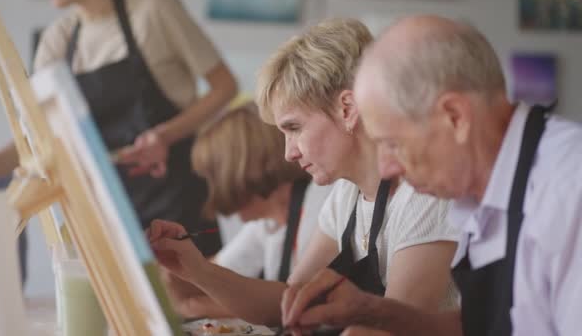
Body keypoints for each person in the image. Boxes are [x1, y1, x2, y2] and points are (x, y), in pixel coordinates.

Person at [148, 18, 460, 328]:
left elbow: (390, 329)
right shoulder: (346, 194)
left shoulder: (424, 194)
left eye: (294, 128)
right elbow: (290, 298)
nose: (289, 152)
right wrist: (197, 270)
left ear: (347, 109)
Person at [284, 15, 582, 336]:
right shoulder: (479, 191)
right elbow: (482, 327)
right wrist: (372, 311)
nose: (386, 169)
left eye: (393, 144)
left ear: (454, 117)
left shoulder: (567, 189)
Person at [0, 0, 238, 255]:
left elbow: (225, 86)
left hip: (179, 203)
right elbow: (33, 142)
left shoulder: (154, 9)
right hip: (111, 214)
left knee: (191, 295)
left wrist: (165, 136)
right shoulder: (58, 40)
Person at [157, 104, 332, 319]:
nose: (210, 193)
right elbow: (215, 275)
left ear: (237, 171)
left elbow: (295, 307)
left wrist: (194, 307)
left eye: (212, 179)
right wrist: (169, 267)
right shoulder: (266, 226)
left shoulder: (321, 206)